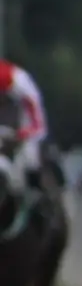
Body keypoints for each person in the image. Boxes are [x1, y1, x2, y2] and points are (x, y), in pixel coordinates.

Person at [0, 59, 56, 199]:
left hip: (26, 132)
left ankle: (40, 200)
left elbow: (38, 127)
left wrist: (20, 134)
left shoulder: (24, 90)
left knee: (30, 158)